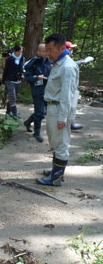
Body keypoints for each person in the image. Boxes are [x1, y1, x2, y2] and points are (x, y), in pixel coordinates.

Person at [37, 33, 79, 187]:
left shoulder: (67, 67)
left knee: (61, 144)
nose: (48, 53)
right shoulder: (58, 64)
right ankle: (56, 171)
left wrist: (63, 117)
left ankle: (55, 178)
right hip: (53, 107)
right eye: (46, 50)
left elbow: (67, 95)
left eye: (50, 50)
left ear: (62, 48)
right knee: (55, 142)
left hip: (59, 109)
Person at [23, 44, 51, 142]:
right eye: (44, 51)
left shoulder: (49, 62)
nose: (46, 53)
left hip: (47, 91)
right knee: (40, 113)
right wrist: (36, 77)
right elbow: (27, 77)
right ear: (38, 52)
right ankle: (37, 133)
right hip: (37, 91)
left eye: (47, 51)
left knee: (42, 112)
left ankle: (28, 122)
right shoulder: (32, 63)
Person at [1, 44, 25, 118]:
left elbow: (22, 68)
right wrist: (3, 82)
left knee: (13, 97)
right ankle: (15, 114)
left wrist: (23, 73)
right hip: (9, 80)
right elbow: (5, 71)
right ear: (14, 51)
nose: (20, 53)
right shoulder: (9, 59)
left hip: (18, 81)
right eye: (19, 51)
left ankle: (8, 112)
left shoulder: (22, 58)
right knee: (13, 97)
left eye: (21, 51)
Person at [65, 41, 83, 131]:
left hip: (73, 87)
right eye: (71, 48)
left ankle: (72, 123)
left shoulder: (69, 60)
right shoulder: (64, 60)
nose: (72, 50)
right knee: (69, 106)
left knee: (72, 106)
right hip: (68, 87)